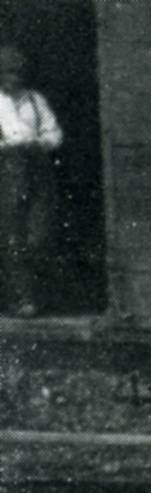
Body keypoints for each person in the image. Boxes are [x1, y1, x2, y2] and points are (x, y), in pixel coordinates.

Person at [0, 45, 61, 317]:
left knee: (39, 236)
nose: (13, 78)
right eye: (8, 72)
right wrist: (9, 146)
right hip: (6, 169)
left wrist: (41, 143)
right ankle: (22, 300)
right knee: (11, 236)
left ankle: (38, 295)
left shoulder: (36, 100)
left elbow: (53, 133)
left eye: (18, 72)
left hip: (37, 168)